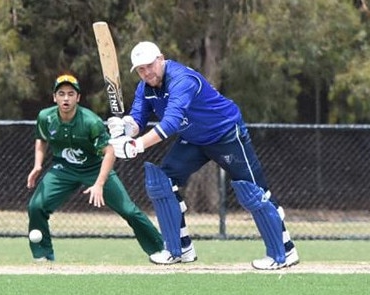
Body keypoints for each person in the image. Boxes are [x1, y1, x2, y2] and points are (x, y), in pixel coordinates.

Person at [107, 41, 300, 270]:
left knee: (254, 191)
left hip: (225, 133)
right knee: (161, 182)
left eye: (150, 65)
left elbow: (170, 124)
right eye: (141, 69)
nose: (147, 72)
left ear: (161, 59)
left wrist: (136, 145)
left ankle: (284, 253)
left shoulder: (181, 80)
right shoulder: (144, 88)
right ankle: (179, 249)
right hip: (194, 139)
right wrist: (125, 127)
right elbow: (138, 118)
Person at [26, 73, 164, 262]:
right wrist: (38, 165)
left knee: (129, 211)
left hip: (95, 168)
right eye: (61, 93)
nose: (66, 98)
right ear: (54, 97)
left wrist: (99, 184)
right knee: (36, 206)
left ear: (78, 98)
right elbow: (41, 139)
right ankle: (42, 255)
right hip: (63, 169)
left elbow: (110, 152)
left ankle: (160, 249)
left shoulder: (91, 122)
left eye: (70, 94)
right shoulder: (46, 117)